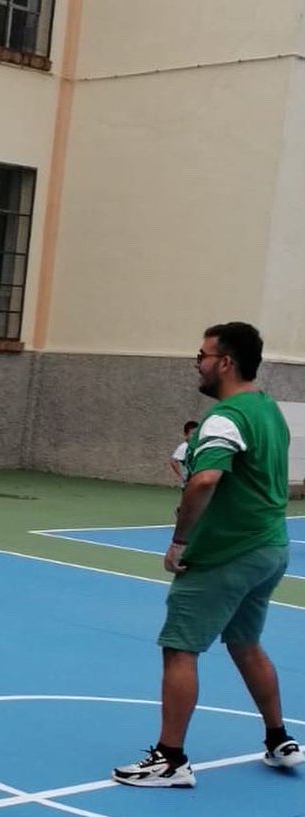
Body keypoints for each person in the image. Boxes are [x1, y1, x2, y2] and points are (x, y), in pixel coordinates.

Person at [114, 322, 302, 788]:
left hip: (226, 554)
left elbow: (203, 480)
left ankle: (170, 758)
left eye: (202, 355)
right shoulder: (268, 411)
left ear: (225, 362)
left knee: (180, 647)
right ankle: (279, 738)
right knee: (244, 641)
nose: (197, 363)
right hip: (270, 548)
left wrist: (180, 540)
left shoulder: (225, 419)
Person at [168, 420, 199, 488]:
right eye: (193, 434)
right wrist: (182, 476)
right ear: (186, 435)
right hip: (189, 483)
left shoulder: (199, 447)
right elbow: (173, 461)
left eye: (198, 434)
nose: (196, 437)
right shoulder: (184, 447)